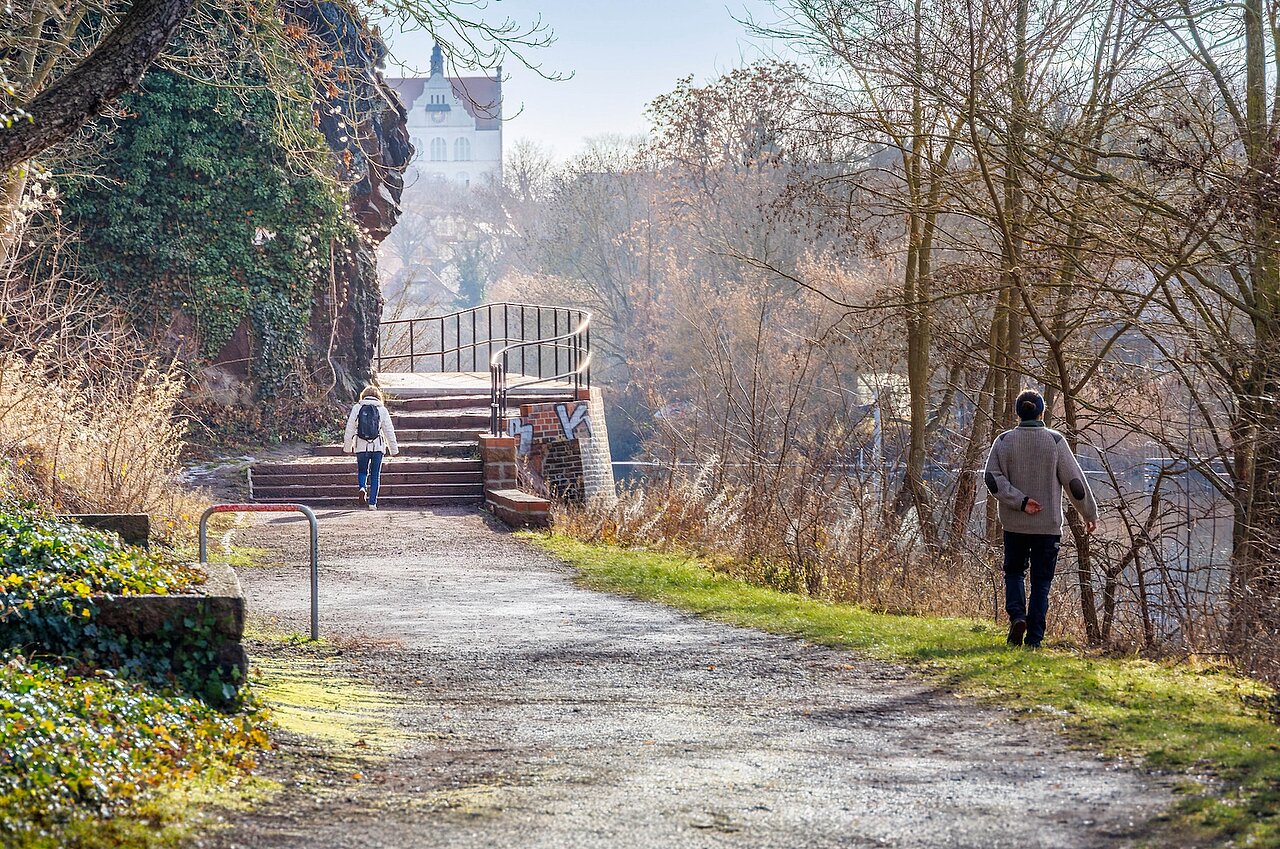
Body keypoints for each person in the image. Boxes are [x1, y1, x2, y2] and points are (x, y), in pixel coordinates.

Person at [983, 388, 1099, 648]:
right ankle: (1034, 639)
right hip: (1047, 528)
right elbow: (1074, 482)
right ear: (1042, 412)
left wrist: (1021, 502)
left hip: (1015, 525)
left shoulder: (1003, 441)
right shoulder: (1055, 441)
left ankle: (1016, 617)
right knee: (1041, 582)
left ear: (1017, 414)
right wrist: (1089, 513)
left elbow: (992, 480)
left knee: (1014, 573)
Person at [344, 384, 398, 510]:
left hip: (361, 446)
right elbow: (389, 430)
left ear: (363, 395)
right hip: (377, 447)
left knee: (362, 471)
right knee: (375, 474)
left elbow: (350, 428)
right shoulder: (382, 410)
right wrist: (394, 449)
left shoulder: (357, 408)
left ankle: (362, 487)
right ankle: (372, 503)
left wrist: (347, 447)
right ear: (378, 397)